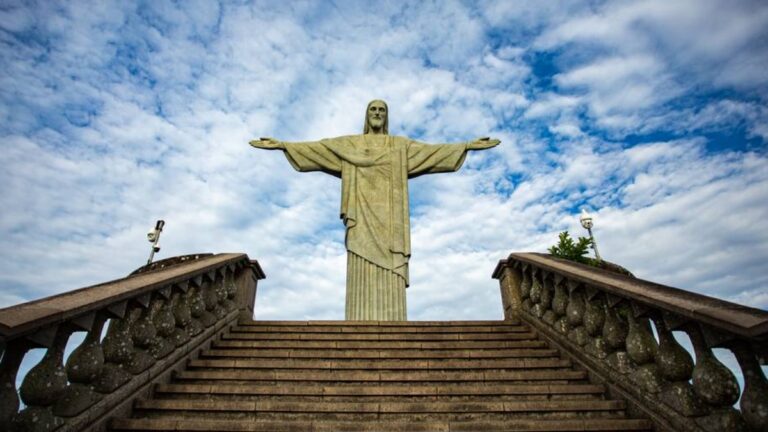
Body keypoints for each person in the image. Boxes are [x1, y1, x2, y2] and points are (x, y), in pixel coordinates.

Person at [250, 99, 499, 320]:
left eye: (382, 110)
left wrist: (465, 146)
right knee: (360, 258)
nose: (377, 113)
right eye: (373, 109)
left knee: (390, 263)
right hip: (360, 215)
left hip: (391, 221)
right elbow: (319, 148)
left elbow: (431, 152)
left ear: (386, 116)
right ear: (367, 115)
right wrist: (283, 145)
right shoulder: (351, 144)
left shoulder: (400, 146)